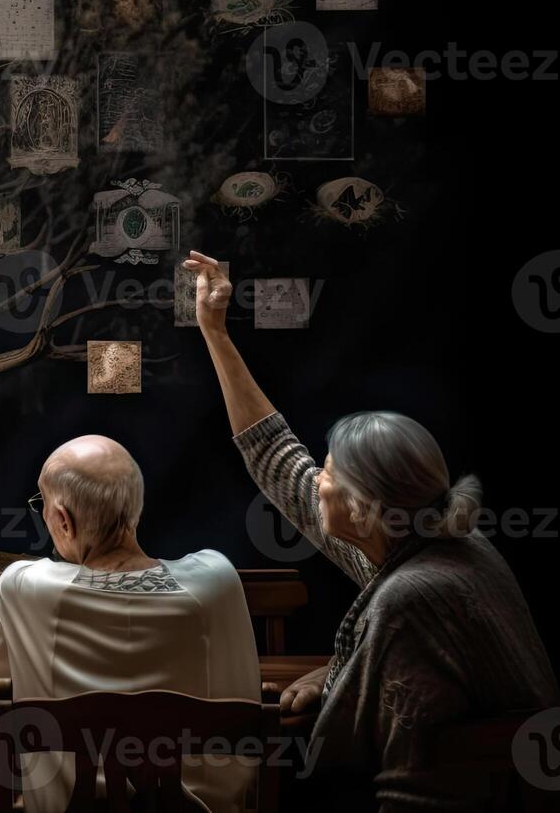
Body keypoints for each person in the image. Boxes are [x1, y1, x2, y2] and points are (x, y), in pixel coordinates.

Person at [184, 249, 557, 808]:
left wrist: (335, 681)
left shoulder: (412, 595)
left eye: (329, 472)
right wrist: (214, 331)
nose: (316, 480)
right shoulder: (426, 541)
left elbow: (411, 776)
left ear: (364, 508)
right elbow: (275, 454)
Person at [0, 445, 260, 813]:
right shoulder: (217, 581)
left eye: (42, 505)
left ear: (64, 520)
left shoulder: (30, 588)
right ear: (137, 505)